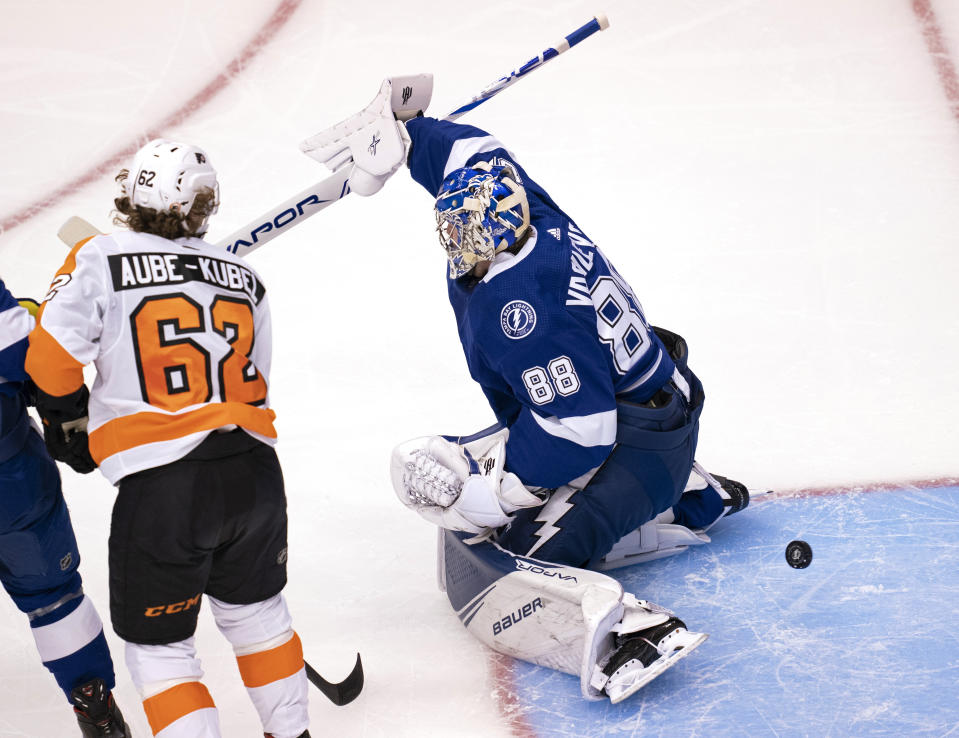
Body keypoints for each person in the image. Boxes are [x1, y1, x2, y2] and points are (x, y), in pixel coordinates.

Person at [381, 114, 752, 703]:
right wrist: (408, 134)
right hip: (656, 404)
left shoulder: (521, 307)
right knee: (542, 438)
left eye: (467, 238)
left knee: (521, 555)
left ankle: (631, 628)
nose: (457, 250)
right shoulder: (529, 208)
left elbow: (582, 431)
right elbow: (475, 151)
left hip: (631, 442)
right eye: (452, 234)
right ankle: (687, 490)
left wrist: (502, 495)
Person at [25, 139, 310, 738]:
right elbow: (253, 374)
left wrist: (69, 421)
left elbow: (49, 363)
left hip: (167, 489)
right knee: (260, 618)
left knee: (161, 649)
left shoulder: (98, 256)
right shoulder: (246, 276)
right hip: (255, 472)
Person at [0, 279, 130, 736]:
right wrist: (37, 320)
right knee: (51, 597)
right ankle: (93, 705)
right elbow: (31, 359)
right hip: (11, 487)